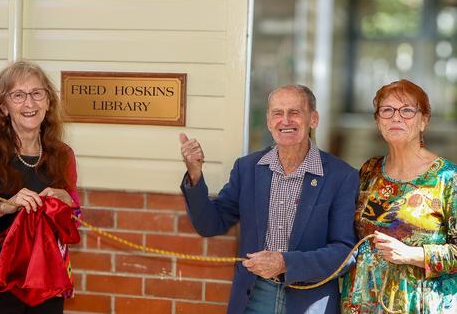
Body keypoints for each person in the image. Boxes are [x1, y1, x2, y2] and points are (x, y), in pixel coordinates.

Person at [180, 84, 359, 314]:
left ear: (313, 119)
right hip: (254, 297)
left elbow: (345, 252)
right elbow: (209, 224)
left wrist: (286, 263)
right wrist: (194, 174)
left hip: (310, 301)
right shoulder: (248, 169)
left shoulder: (341, 176)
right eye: (277, 113)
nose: (285, 121)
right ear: (268, 121)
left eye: (295, 112)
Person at [0, 61, 81, 313]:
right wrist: (5, 207)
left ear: (48, 102)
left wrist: (66, 201)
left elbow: (73, 224)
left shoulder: (62, 155)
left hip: (46, 281)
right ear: (3, 106)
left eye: (37, 93)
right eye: (18, 95)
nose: (29, 104)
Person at [340, 79, 457, 313]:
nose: (396, 117)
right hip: (362, 303)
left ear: (424, 121)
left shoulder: (448, 178)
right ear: (377, 121)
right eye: (387, 110)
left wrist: (413, 254)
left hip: (420, 305)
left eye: (407, 110)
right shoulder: (369, 171)